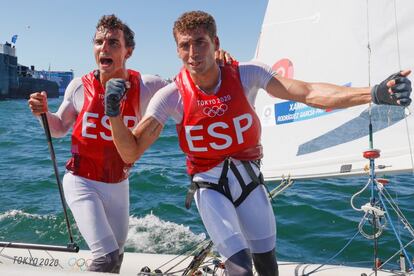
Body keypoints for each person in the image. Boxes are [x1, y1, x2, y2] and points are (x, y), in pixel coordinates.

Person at [106, 11, 412, 276]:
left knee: (267, 266)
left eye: (200, 42)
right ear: (177, 50)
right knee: (239, 267)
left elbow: (305, 93)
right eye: (184, 45)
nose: (192, 52)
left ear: (216, 44)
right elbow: (130, 151)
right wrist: (114, 114)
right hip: (209, 188)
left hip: (251, 183)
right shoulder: (171, 96)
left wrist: (372, 94)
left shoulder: (246, 74)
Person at [28, 14, 233, 274]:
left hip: (118, 184)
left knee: (118, 256)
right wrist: (43, 113)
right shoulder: (80, 87)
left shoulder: (148, 86)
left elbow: (191, 85)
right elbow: (58, 129)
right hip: (82, 180)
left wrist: (217, 60)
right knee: (105, 257)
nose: (104, 48)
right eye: (99, 41)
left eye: (114, 43)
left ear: (128, 51)